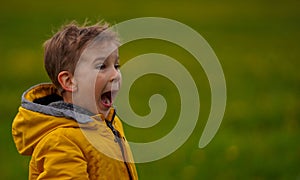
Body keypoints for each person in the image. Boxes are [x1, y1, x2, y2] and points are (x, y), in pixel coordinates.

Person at [12, 20, 138, 180]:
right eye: (101, 66)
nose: (115, 75)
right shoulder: (61, 142)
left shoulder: (110, 124)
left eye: (116, 66)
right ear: (69, 81)